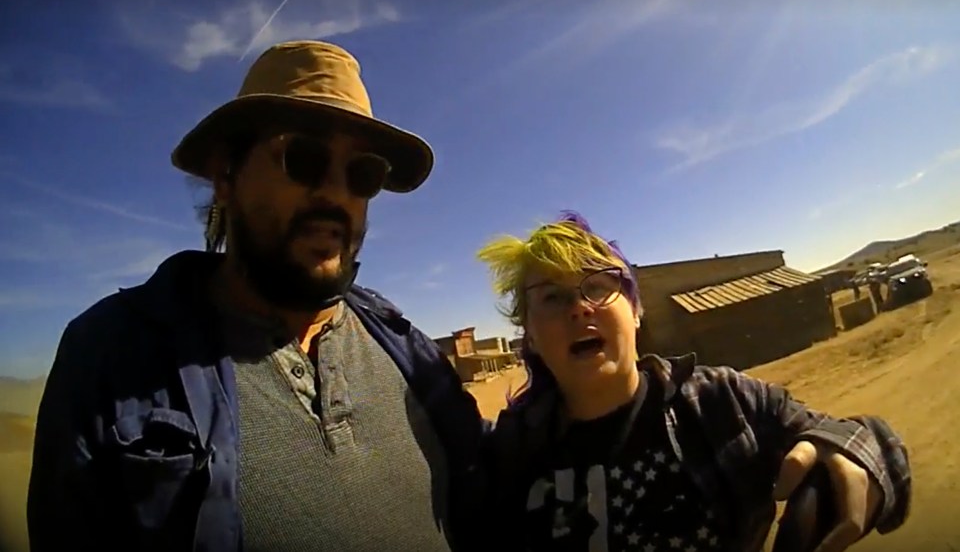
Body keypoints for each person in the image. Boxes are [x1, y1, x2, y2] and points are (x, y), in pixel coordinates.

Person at [27, 40, 490, 552]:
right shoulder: (110, 355)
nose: (336, 195)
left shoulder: (407, 349)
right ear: (227, 176)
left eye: (363, 174)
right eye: (304, 159)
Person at [475, 211, 911, 552]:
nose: (579, 308)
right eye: (552, 296)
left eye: (597, 286)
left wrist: (860, 459)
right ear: (528, 332)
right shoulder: (511, 452)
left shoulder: (721, 400)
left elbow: (847, 435)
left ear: (635, 310)